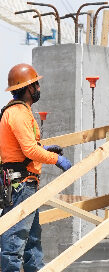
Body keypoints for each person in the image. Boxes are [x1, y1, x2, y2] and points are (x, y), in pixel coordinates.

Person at [0, 64, 71, 271]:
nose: (39, 88)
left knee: (32, 243)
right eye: (36, 84)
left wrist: (44, 148)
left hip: (24, 184)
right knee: (15, 241)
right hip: (21, 185)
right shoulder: (19, 113)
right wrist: (55, 159)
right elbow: (30, 151)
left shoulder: (16, 111)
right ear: (28, 88)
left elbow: (22, 148)